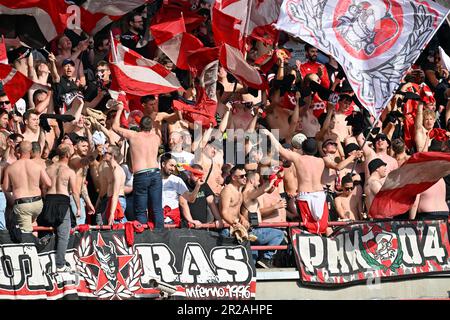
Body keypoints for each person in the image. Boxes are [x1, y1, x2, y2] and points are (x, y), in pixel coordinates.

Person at [264, 131, 332, 235]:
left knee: (311, 227)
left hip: (305, 195)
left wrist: (269, 134)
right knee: (320, 226)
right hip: (317, 194)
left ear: (302, 149)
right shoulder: (321, 161)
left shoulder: (298, 158)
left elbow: (280, 149)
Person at [111, 101, 164, 228]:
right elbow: (156, 129)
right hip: (156, 174)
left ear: (139, 126)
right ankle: (161, 235)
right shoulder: (156, 138)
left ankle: (143, 236)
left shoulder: (133, 136)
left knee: (140, 209)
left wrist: (120, 110)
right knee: (157, 208)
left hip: (141, 175)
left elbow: (114, 127)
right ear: (151, 127)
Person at [40, 144, 80, 272]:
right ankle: (60, 264)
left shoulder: (48, 169)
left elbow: (43, 188)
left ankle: (42, 258)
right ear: (68, 155)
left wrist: (47, 201)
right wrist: (79, 207)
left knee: (46, 229)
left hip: (49, 199)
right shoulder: (69, 171)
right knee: (63, 235)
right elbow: (74, 191)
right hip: (62, 201)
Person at [2, 141, 51, 232]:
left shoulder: (11, 168)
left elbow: (5, 188)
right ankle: (36, 245)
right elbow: (48, 183)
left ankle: (30, 245)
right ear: (31, 151)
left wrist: (16, 186)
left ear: (19, 151)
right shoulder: (37, 166)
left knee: (25, 231)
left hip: (22, 204)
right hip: (37, 203)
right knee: (33, 224)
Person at [242, 171, 284, 268]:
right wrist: (272, 180)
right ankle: (266, 258)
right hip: (255, 231)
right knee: (279, 234)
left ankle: (252, 273)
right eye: (257, 180)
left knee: (253, 258)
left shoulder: (246, 193)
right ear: (252, 181)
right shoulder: (248, 193)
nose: (259, 182)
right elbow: (264, 190)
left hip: (252, 230)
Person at [160, 153, 203, 228]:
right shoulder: (153, 179)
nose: (173, 169)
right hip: (156, 220)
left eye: (174, 166)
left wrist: (197, 186)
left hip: (173, 222)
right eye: (171, 165)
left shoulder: (177, 180)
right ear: (163, 164)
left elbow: (190, 199)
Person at [103, 145, 127, 225]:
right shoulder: (111, 169)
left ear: (112, 155)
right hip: (112, 200)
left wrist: (112, 214)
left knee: (117, 226)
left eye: (106, 152)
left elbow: (116, 194)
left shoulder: (117, 171)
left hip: (117, 201)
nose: (104, 153)